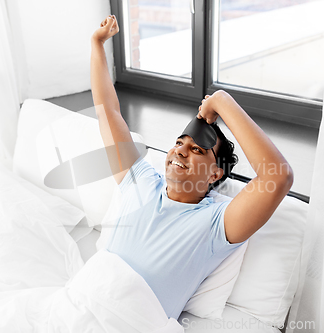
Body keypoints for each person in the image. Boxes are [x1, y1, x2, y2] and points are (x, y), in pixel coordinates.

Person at [91, 15, 293, 320]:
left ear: (215, 174)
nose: (180, 151)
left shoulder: (215, 224)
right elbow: (109, 111)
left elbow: (278, 177)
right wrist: (96, 45)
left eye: (197, 149)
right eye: (179, 142)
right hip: (83, 302)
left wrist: (221, 101)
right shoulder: (142, 180)